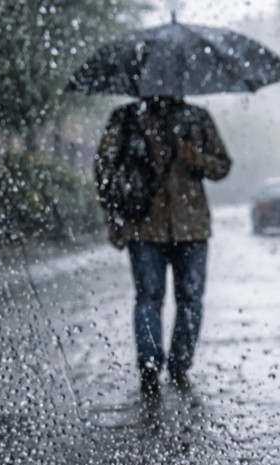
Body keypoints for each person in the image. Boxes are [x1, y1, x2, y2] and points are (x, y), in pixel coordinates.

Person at [95, 96, 231, 397]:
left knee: (191, 299)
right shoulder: (127, 118)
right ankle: (149, 366)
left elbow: (223, 165)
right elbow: (104, 169)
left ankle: (180, 365)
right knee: (148, 298)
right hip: (143, 225)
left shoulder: (197, 118)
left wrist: (198, 160)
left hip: (191, 227)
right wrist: (112, 219)